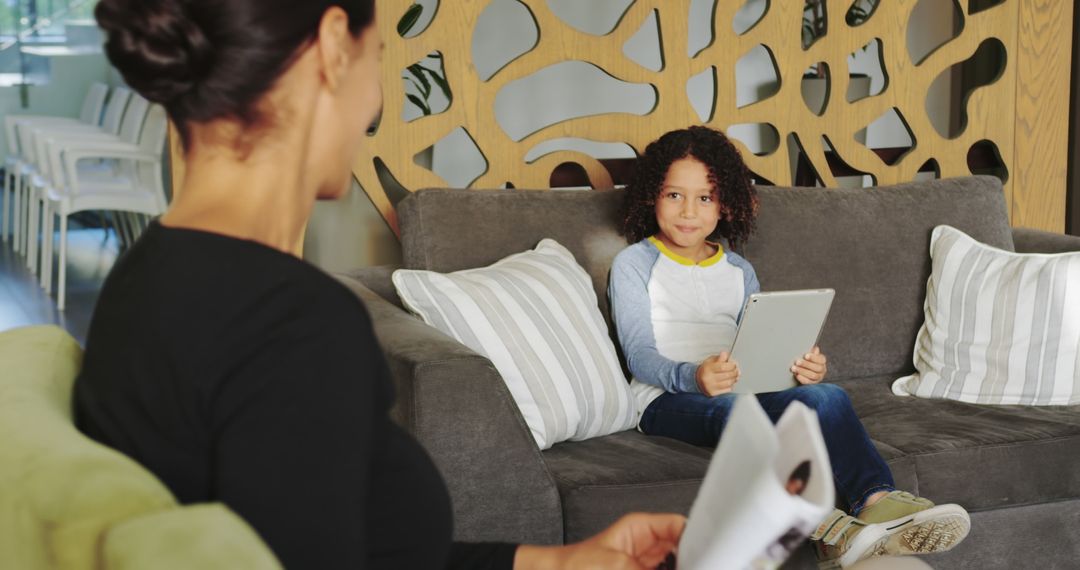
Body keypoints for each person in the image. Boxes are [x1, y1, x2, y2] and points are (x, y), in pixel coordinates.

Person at [73, 1, 684, 568]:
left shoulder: (145, 276)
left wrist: (552, 561)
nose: (374, 100)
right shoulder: (293, 324)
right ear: (335, 46)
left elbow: (353, 550)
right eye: (379, 62)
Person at [608, 126, 970, 567]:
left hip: (740, 387)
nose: (689, 211)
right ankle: (828, 529)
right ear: (652, 197)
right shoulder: (634, 264)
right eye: (674, 196)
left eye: (705, 198)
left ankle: (876, 503)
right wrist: (694, 376)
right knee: (736, 413)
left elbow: (754, 341)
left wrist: (796, 368)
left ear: (725, 205)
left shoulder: (739, 269)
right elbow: (639, 354)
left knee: (827, 395)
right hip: (665, 399)